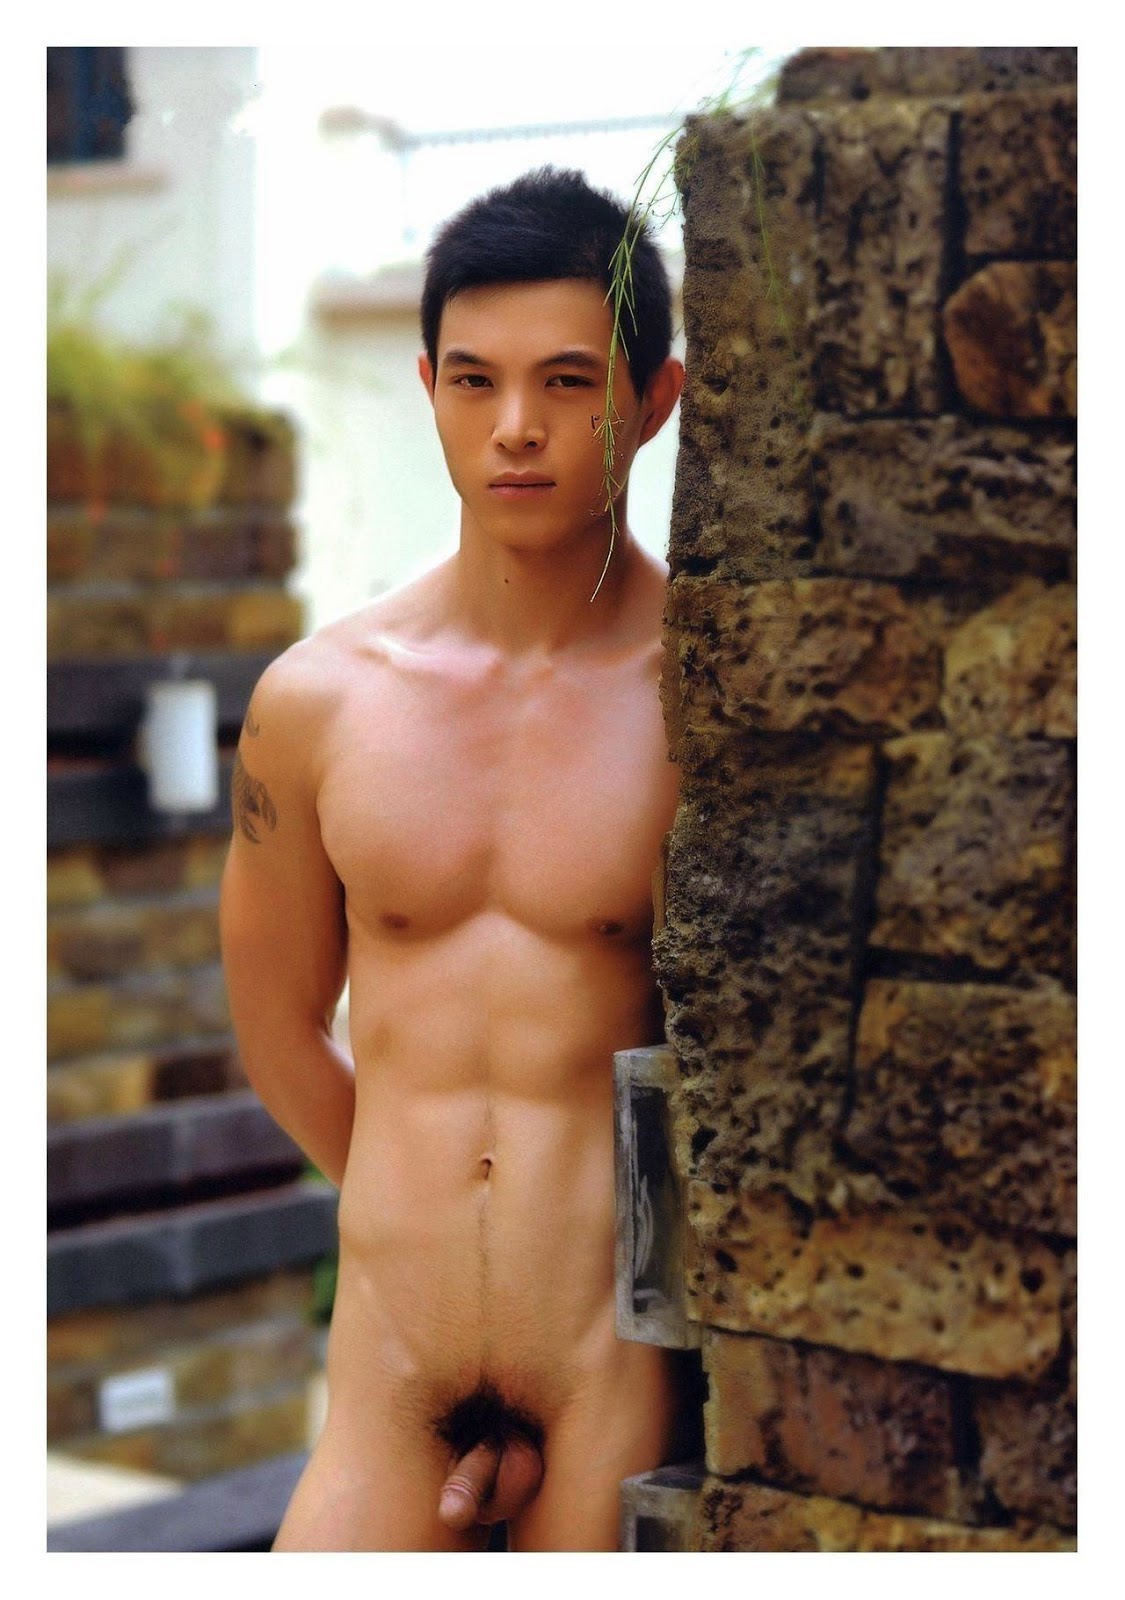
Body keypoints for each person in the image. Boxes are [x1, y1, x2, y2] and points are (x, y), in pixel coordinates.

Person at [219, 167, 687, 1551]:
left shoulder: (705, 705)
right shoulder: (317, 703)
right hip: (386, 1380)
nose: (516, 428)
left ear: (655, 401)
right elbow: (279, 1031)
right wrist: (428, 1239)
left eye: (567, 382)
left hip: (613, 1381)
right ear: (428, 387)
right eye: (475, 382)